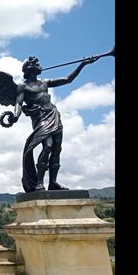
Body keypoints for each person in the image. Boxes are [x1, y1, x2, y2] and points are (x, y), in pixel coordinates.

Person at [13, 56, 98, 191]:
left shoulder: (44, 83)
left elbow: (67, 80)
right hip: (40, 118)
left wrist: (82, 64)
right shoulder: (23, 86)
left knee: (57, 149)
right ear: (30, 68)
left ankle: (53, 182)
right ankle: (39, 182)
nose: (40, 66)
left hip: (53, 115)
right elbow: (18, 103)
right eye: (37, 64)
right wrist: (15, 116)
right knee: (48, 146)